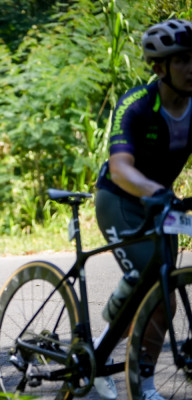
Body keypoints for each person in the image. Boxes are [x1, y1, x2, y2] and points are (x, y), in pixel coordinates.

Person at [94, 19, 192, 400]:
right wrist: (156, 191)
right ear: (159, 67)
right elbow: (119, 167)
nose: (191, 68)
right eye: (182, 60)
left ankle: (134, 374)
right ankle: (124, 370)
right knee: (152, 287)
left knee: (164, 297)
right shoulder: (136, 104)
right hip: (119, 200)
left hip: (161, 205)